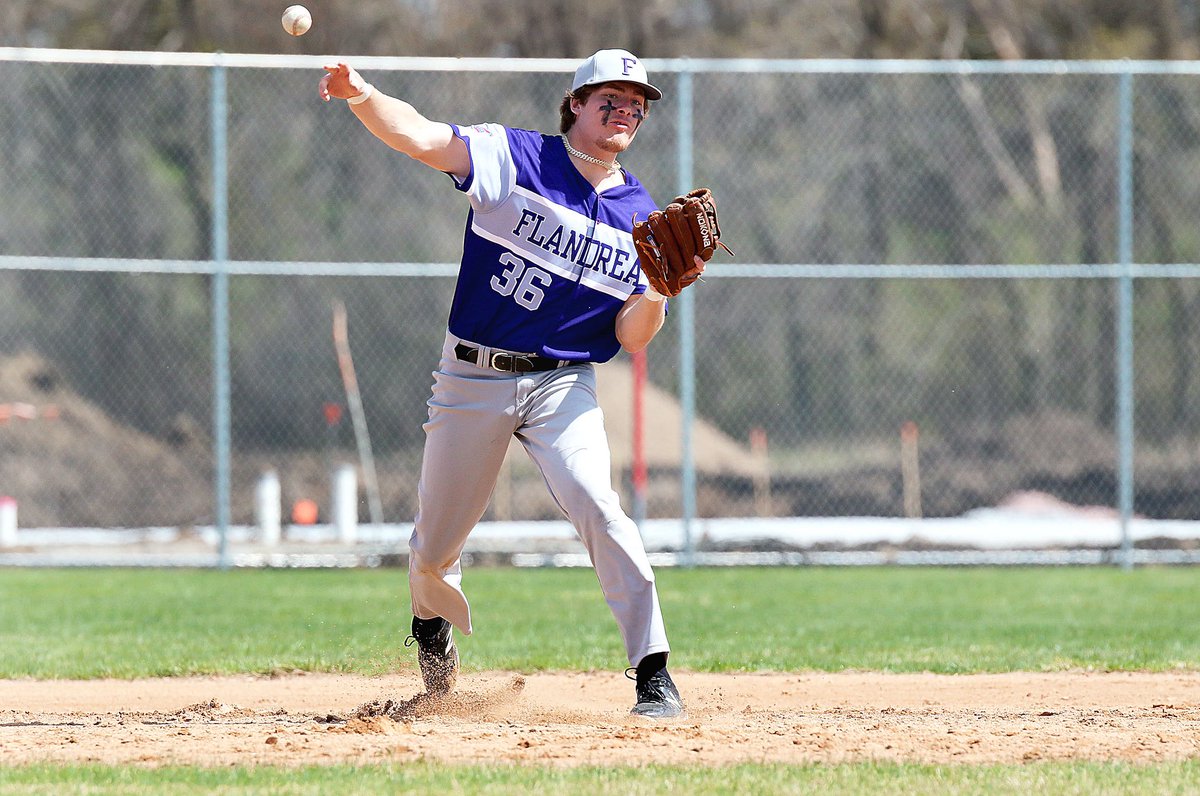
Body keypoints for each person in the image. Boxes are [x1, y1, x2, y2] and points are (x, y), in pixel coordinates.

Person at [319, 49, 702, 718]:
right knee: (435, 547)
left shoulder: (640, 214)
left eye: (636, 104)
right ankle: (431, 622)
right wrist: (362, 95)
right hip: (472, 376)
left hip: (563, 384)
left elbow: (633, 334)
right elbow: (419, 135)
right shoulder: (514, 159)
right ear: (575, 104)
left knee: (597, 504)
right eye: (610, 98)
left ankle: (653, 671)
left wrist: (660, 291)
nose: (625, 111)